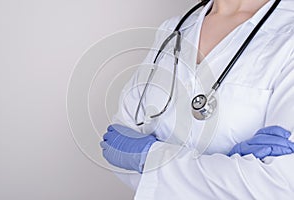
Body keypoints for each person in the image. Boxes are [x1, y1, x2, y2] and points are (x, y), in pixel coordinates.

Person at [100, 0, 294, 199]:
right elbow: (118, 145)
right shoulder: (174, 28)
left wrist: (149, 158)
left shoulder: (288, 33)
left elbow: (276, 186)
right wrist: (227, 170)